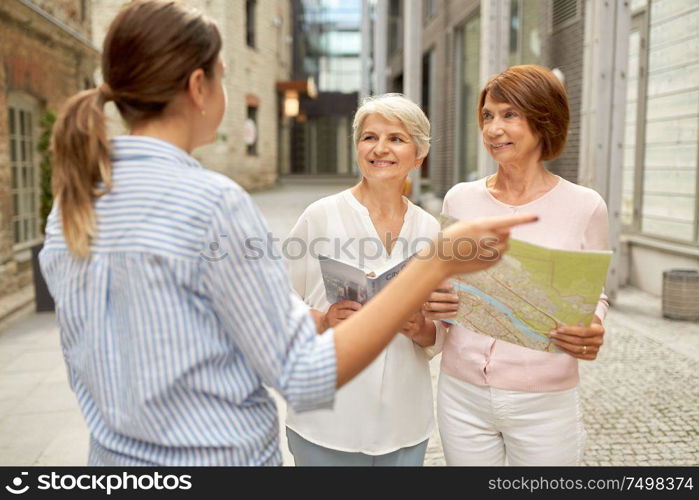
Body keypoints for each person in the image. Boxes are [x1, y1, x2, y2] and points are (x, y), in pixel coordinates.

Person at [40, 0, 535, 466]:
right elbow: (302, 374)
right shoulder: (214, 205)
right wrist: (434, 264)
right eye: (223, 77)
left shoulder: (72, 204)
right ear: (198, 87)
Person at [424, 65, 609, 466]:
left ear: (544, 120)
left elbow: (595, 294)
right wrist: (433, 301)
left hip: (544, 399)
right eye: (488, 116)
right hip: (462, 394)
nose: (493, 128)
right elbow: (445, 282)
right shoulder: (459, 200)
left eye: (509, 115)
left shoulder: (585, 205)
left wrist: (591, 325)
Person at [284, 94, 440, 466]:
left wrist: (421, 328)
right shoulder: (320, 216)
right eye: (370, 137)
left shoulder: (431, 229)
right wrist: (322, 320)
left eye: (396, 139)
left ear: (418, 156)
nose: (380, 148)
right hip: (327, 418)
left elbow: (443, 327)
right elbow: (276, 303)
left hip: (403, 422)